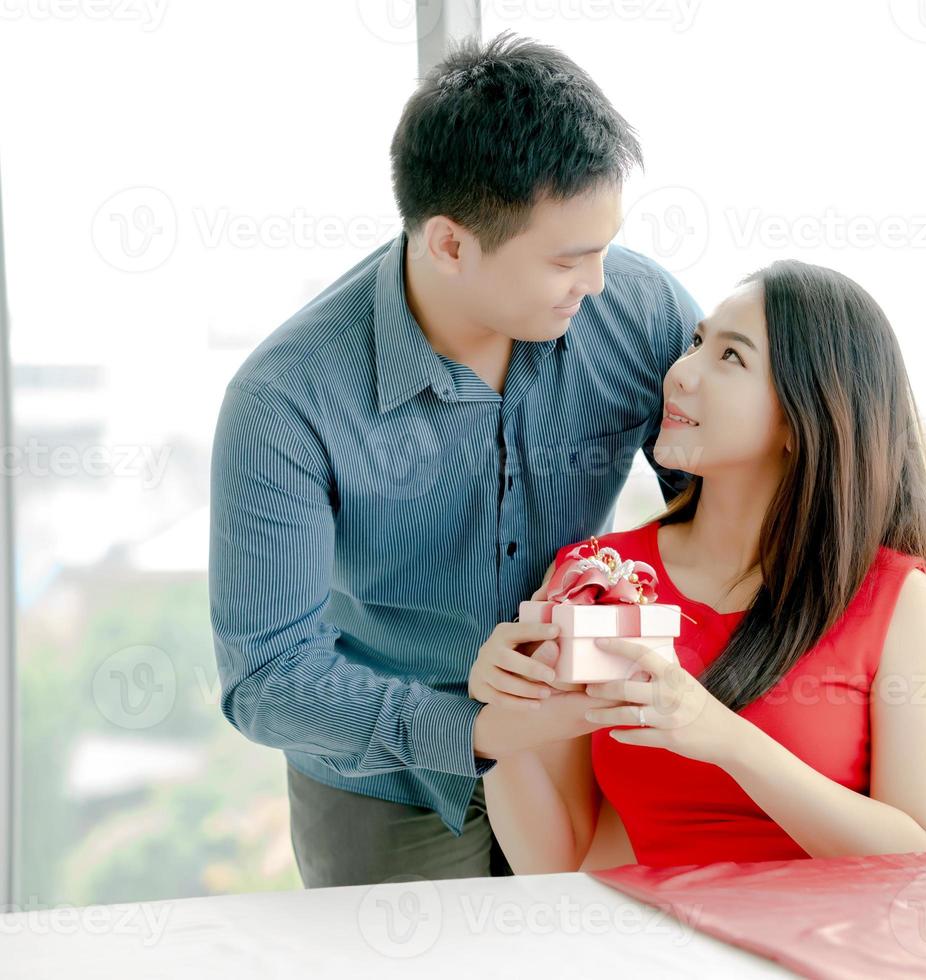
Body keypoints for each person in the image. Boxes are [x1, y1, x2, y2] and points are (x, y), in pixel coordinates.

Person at [208, 34, 700, 886]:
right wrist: (474, 728)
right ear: (448, 245)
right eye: (564, 259)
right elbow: (266, 676)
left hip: (585, 754)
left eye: (604, 247)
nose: (599, 283)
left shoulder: (635, 313)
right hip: (382, 782)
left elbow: (745, 500)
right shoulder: (287, 400)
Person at [479, 261, 926, 871]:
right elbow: (558, 859)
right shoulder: (602, 576)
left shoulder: (895, 597)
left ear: (803, 420)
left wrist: (721, 737)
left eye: (731, 358)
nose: (681, 373)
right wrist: (504, 727)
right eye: (697, 343)